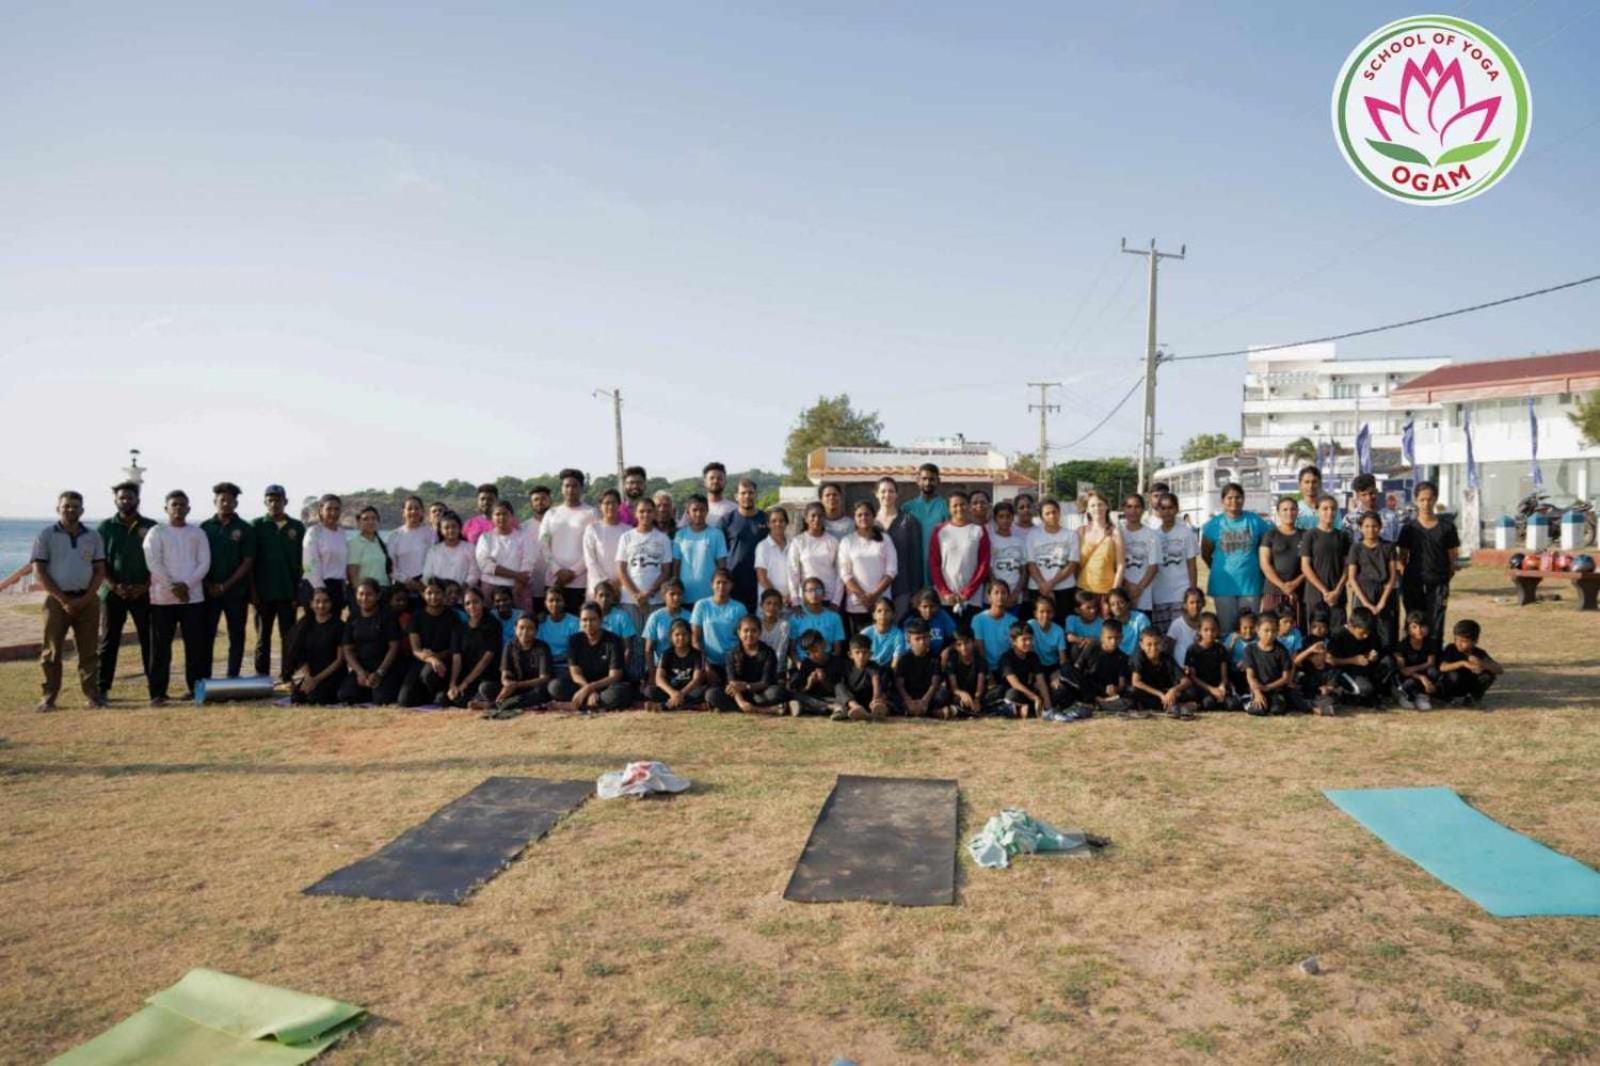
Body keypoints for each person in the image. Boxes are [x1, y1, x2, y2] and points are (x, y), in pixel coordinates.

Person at [32, 491, 107, 711]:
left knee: (89, 650)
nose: (71, 510)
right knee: (51, 651)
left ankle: (92, 696)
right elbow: (39, 571)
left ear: (82, 510)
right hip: (56, 600)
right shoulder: (46, 535)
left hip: (87, 600)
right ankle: (48, 697)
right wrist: (63, 599)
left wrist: (86, 598)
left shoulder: (93, 537)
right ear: (58, 509)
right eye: (66, 506)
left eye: (75, 506)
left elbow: (100, 570)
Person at [144, 490, 210, 705]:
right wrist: (173, 586)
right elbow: (153, 563)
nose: (178, 509)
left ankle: (196, 691)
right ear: (166, 508)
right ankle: (157, 693)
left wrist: (187, 585)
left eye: (183, 505)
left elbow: (204, 563)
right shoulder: (156, 532)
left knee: (195, 649)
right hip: (163, 599)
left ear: (189, 508)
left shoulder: (197, 533)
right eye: (174, 505)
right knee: (161, 649)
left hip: (193, 599)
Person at [96, 481, 157, 700]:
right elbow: (99, 561)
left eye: (130, 497)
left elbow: (158, 561)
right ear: (116, 500)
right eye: (122, 498)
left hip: (144, 593)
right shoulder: (105, 527)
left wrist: (146, 585)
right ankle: (101, 688)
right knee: (108, 641)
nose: (126, 501)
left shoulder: (151, 526)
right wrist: (114, 586)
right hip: (113, 593)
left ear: (137, 500)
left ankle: (155, 689)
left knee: (149, 640)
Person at [1200, 483, 1271, 637]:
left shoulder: (1255, 521)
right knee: (1227, 630)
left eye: (1238, 497)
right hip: (1223, 584)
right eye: (1229, 498)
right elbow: (1205, 552)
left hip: (1250, 584)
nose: (1234, 501)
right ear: (1223, 501)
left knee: (1250, 630)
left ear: (1243, 499)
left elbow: (1267, 544)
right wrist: (1217, 568)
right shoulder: (1214, 524)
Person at [1397, 480, 1460, 652]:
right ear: (1416, 500)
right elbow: (1402, 558)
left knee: (1435, 621)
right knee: (1414, 620)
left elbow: (1452, 557)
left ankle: (1434, 658)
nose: (1426, 503)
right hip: (1413, 582)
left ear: (1435, 500)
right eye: (1422, 499)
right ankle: (1409, 657)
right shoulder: (1408, 528)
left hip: (1438, 582)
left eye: (1430, 499)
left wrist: (1446, 575)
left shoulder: (1447, 527)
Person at [251, 485, 304, 681]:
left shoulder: (297, 527)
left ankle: (286, 675)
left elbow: (303, 563)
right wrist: (253, 592)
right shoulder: (256, 525)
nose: (274, 503)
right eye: (270, 500)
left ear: (285, 501)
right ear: (265, 502)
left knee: (289, 638)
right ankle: (261, 677)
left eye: (278, 499)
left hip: (288, 593)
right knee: (262, 639)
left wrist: (299, 593)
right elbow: (249, 562)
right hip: (263, 594)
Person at [552, 602, 636, 710]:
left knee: (621, 692)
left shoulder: (613, 641)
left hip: (607, 686)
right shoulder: (574, 640)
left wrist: (589, 688)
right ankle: (590, 704)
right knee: (555, 686)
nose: (588, 624)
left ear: (601, 620)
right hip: (582, 684)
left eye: (592, 619)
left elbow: (615, 676)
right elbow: (575, 673)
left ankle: (578, 705)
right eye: (584, 620)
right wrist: (587, 689)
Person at [541, 469, 598, 616]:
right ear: (561, 488)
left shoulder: (591, 513)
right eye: (567, 486)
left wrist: (574, 571)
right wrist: (556, 570)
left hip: (579, 581)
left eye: (575, 486)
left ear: (581, 488)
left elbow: (593, 548)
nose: (570, 489)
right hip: (554, 580)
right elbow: (543, 544)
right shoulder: (551, 514)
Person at [337, 578, 404, 705]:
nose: (364, 598)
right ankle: (369, 687)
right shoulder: (353, 617)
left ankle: (376, 689)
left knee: (382, 700)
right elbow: (347, 649)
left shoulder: (388, 615)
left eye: (369, 594)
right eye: (361, 594)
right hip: (362, 667)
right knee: (345, 695)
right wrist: (360, 672)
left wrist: (380, 672)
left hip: (385, 667)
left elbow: (394, 647)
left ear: (378, 595)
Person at [839, 500, 899, 634]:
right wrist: (863, 596)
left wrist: (874, 595)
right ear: (854, 519)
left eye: (867, 514)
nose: (863, 518)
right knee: (860, 647)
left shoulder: (885, 539)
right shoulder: (847, 541)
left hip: (882, 605)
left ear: (873, 517)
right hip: (857, 604)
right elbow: (845, 573)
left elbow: (892, 570)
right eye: (859, 515)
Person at [928, 491, 990, 620]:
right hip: (946, 599)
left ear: (968, 506)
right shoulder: (939, 531)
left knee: (970, 637)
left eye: (962, 504)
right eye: (955, 505)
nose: (959, 508)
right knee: (950, 637)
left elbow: (983, 564)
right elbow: (934, 564)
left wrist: (967, 593)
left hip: (972, 598)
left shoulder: (978, 530)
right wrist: (945, 592)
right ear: (949, 508)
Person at [401, 578, 462, 707]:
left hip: (445, 663)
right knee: (405, 701)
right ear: (423, 595)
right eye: (429, 593)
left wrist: (437, 657)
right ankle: (429, 694)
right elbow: (416, 650)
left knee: (429, 674)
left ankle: (440, 691)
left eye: (438, 593)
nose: (433, 597)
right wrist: (432, 659)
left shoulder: (452, 617)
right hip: (423, 660)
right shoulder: (416, 617)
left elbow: (454, 649)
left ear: (444, 594)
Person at [709, 615, 787, 714]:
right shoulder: (732, 654)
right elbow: (732, 682)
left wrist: (746, 686)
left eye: (754, 631)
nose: (749, 634)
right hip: (738, 695)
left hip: (759, 693)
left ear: (760, 632)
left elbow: (766, 682)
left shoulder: (768, 652)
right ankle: (764, 710)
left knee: (776, 692)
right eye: (745, 631)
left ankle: (737, 709)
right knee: (712, 694)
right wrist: (741, 702)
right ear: (739, 632)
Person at [481, 614, 554, 716]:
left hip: (532, 689)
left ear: (536, 631)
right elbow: (505, 674)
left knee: (541, 693)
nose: (525, 632)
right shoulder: (509, 645)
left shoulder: (542, 647)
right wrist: (507, 685)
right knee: (485, 687)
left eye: (530, 629)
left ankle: (495, 705)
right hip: (513, 690)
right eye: (521, 628)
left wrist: (517, 685)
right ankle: (508, 704)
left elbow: (544, 678)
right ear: (515, 629)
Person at [1346, 511, 1400, 648]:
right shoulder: (1356, 548)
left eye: (1374, 526)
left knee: (1387, 633)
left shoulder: (1388, 547)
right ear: (1361, 528)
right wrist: (1366, 603)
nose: (1371, 530)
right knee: (1362, 631)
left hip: (1385, 593)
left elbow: (1393, 575)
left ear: (1380, 527)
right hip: (1363, 593)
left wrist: (1382, 602)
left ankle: (1386, 665)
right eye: (1367, 526)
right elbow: (1352, 578)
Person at [874, 477, 924, 619]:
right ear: (876, 494)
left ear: (897, 494)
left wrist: (915, 592)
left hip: (902, 587)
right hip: (875, 587)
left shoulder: (908, 521)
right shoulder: (869, 522)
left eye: (891, 491)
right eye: (883, 491)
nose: (887, 495)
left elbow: (915, 559)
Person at [615, 497, 672, 621]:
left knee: (652, 638)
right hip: (630, 599)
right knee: (633, 637)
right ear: (635, 514)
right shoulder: (626, 537)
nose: (645, 514)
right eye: (641, 511)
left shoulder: (663, 539)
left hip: (655, 599)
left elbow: (666, 571)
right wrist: (636, 594)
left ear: (655, 514)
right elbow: (621, 570)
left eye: (649, 511)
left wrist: (649, 593)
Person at [286, 587, 345, 705]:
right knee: (297, 697)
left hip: (331, 674)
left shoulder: (339, 626)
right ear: (311, 604)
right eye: (317, 601)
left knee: (315, 698)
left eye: (325, 601)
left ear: (331, 603)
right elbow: (302, 657)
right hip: (312, 674)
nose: (321, 605)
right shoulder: (306, 626)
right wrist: (308, 678)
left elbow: (339, 660)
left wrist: (316, 680)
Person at [1299, 495, 1351, 631]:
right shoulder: (1310, 536)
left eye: (1333, 509)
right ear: (1317, 511)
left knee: (1337, 634)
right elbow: (1305, 566)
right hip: (1315, 594)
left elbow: (1347, 566)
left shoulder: (1342, 536)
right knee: (1316, 634)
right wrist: (1324, 591)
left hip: (1337, 594)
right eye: (1325, 508)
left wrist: (1338, 590)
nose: (1329, 512)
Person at [719, 479, 769, 612]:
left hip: (760, 580)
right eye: (743, 493)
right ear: (736, 496)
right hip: (734, 580)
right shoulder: (726, 520)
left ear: (756, 495)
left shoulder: (766, 519)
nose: (747, 496)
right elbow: (720, 554)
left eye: (751, 493)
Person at [477, 500, 537, 610]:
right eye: (497, 514)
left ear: (512, 516)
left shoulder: (524, 536)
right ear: (492, 517)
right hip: (491, 586)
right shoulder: (485, 538)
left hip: (519, 586)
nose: (501, 517)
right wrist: (516, 575)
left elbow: (529, 561)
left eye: (505, 514)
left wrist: (519, 581)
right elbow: (485, 564)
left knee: (522, 621)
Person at [1027, 497, 1080, 621]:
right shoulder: (1033, 535)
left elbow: (1072, 564)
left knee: (1062, 622)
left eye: (1054, 512)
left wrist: (1051, 584)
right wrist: (1042, 585)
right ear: (1041, 517)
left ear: (1059, 512)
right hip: (1038, 588)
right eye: (1047, 513)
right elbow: (1031, 563)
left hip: (1064, 588)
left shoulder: (1071, 535)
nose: (1052, 516)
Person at [690, 569, 748, 680]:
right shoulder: (701, 605)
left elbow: (745, 639)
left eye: (725, 583)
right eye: (718, 582)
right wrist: (706, 666)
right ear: (712, 585)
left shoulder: (739, 608)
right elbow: (695, 640)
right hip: (708, 663)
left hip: (734, 662)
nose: (721, 586)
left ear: (731, 585)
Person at [1327, 607, 1390, 708]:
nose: (1366, 636)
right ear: (1352, 626)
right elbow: (1329, 660)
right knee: (1365, 689)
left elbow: (1373, 652)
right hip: (1346, 671)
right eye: (1362, 633)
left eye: (1368, 632)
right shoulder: (1338, 635)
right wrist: (1352, 660)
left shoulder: (1369, 633)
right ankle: (1342, 693)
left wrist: (1373, 656)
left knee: (1388, 662)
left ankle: (1374, 693)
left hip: (1365, 669)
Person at [1243, 612, 1304, 715]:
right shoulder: (1250, 649)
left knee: (1277, 709)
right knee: (1259, 710)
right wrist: (1257, 692)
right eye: (1266, 631)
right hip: (1257, 688)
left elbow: (1286, 678)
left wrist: (1268, 687)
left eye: (1274, 631)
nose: (1270, 634)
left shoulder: (1281, 650)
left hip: (1275, 689)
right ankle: (1248, 700)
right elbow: (1250, 676)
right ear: (1257, 630)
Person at [673, 495, 730, 606]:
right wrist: (676, 590)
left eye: (702, 510)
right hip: (685, 595)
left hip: (710, 596)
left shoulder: (717, 534)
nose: (698, 514)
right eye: (694, 510)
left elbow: (722, 566)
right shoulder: (680, 535)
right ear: (688, 512)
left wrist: (721, 590)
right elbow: (676, 566)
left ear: (707, 511)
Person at [302, 494, 349, 621]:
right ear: (321, 511)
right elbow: (309, 564)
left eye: (336, 509)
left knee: (333, 630)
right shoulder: (314, 532)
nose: (333, 513)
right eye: (329, 509)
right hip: (316, 586)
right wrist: (319, 589)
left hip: (337, 588)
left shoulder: (342, 533)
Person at [1258, 496, 1305, 622]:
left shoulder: (1305, 535)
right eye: (1285, 510)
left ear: (1297, 512)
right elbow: (1265, 564)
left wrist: (1295, 584)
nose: (1289, 513)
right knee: (1270, 626)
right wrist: (1282, 585)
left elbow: (1309, 565)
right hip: (1273, 590)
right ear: (1278, 513)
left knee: (1295, 628)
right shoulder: (1270, 535)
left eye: (1292, 509)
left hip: (1297, 591)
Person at [901, 463, 950, 585]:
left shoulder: (946, 506)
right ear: (918, 481)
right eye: (924, 479)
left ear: (938, 481)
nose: (928, 483)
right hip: (913, 564)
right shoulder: (907, 508)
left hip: (939, 564)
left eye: (932, 479)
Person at [787, 502, 842, 607]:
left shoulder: (833, 541)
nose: (816, 519)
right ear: (806, 518)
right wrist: (795, 600)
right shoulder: (798, 541)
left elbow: (840, 572)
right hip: (806, 599)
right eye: (813, 516)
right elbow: (793, 572)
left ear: (824, 518)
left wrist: (836, 601)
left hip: (829, 598)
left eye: (820, 516)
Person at [1075, 490, 1125, 609]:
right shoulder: (1080, 532)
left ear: (1107, 506)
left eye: (1100, 504)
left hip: (1107, 592)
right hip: (1083, 590)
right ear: (1087, 509)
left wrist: (1114, 592)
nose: (1097, 508)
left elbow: (1121, 565)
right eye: (1092, 505)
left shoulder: (1115, 532)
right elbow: (1074, 564)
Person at [644, 619, 707, 711]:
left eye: (684, 634)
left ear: (690, 636)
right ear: (671, 637)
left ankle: (664, 706)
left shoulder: (697, 654)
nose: (681, 638)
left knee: (705, 691)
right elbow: (659, 678)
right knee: (649, 691)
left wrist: (681, 694)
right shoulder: (666, 654)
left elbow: (697, 680)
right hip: (671, 690)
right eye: (677, 635)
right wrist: (673, 693)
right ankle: (687, 706)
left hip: (689, 690)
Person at [1131, 626, 1193, 719]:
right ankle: (1178, 706)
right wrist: (1160, 694)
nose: (1153, 648)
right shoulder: (1139, 657)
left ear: (1162, 644)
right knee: (1133, 691)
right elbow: (1136, 682)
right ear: (1141, 645)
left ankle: (1173, 705)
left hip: (1167, 693)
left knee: (1191, 691)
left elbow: (1186, 681)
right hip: (1151, 693)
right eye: (1149, 644)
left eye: (1157, 644)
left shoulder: (1167, 658)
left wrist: (1173, 690)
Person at [1437, 618, 1502, 706]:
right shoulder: (1451, 648)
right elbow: (1442, 667)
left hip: (1469, 685)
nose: (1459, 643)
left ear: (1475, 641)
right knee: (1453, 675)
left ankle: (1472, 697)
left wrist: (1482, 663)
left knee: (1488, 675)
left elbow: (1499, 670)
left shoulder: (1479, 653)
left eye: (1464, 641)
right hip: (1453, 685)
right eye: (1457, 639)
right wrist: (1463, 663)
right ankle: (1448, 697)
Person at [1118, 493, 1161, 621]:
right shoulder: (1117, 533)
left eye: (1137, 507)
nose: (1133, 510)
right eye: (1129, 506)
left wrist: (1138, 589)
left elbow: (1153, 567)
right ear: (1123, 509)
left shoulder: (1152, 535)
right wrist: (1127, 585)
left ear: (1143, 509)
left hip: (1143, 595)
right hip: (1121, 593)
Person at [1070, 619, 1129, 715]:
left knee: (1128, 700)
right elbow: (1077, 668)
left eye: (1117, 638)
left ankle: (1096, 704)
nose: (1113, 642)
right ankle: (1096, 701)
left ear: (1121, 638)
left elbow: (1121, 684)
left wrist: (1115, 689)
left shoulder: (1122, 657)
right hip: (1087, 687)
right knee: (1067, 670)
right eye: (1109, 638)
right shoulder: (1092, 646)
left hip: (1105, 692)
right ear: (1102, 637)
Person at [581, 489, 630, 602]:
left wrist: (619, 582)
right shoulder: (593, 529)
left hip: (623, 587)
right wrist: (607, 582)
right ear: (600, 506)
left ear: (619, 505)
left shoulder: (628, 531)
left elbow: (631, 560)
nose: (610, 506)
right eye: (607, 503)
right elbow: (590, 561)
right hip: (598, 587)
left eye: (614, 503)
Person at [894, 619, 948, 718]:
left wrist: (925, 701)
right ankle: (914, 709)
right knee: (893, 696)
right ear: (908, 640)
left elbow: (934, 684)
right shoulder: (904, 659)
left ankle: (924, 709)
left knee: (943, 694)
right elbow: (900, 684)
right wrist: (908, 701)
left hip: (927, 695)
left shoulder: (935, 659)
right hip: (909, 695)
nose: (922, 642)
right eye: (917, 639)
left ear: (930, 637)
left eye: (925, 638)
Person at [387, 496, 436, 603]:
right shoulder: (394, 535)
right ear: (403, 512)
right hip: (401, 586)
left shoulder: (431, 534)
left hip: (425, 586)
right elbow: (390, 566)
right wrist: (407, 581)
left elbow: (435, 561)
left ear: (422, 511)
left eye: (417, 508)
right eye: (409, 508)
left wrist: (422, 582)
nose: (413, 511)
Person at [1182, 612, 1234, 711]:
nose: (1210, 633)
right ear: (1199, 631)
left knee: (1232, 705)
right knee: (1208, 703)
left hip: (1218, 686)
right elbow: (1193, 677)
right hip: (1202, 687)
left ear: (1218, 630)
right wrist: (1211, 690)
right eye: (1206, 630)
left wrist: (1222, 686)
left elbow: (1224, 674)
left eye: (1213, 630)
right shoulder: (1192, 650)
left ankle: (1219, 700)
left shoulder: (1220, 649)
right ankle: (1197, 704)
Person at [997, 622, 1049, 719]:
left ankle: (1032, 709)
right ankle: (1020, 708)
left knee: (1050, 692)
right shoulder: (1006, 658)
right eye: (1024, 639)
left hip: (1028, 692)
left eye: (1030, 639)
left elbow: (1041, 681)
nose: (1028, 643)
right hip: (1013, 693)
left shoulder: (1033, 657)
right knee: (1012, 694)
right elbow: (1015, 684)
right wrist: (1035, 698)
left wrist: (1048, 706)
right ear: (1013, 641)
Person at [789, 630, 846, 717]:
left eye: (815, 650)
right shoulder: (807, 663)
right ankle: (832, 708)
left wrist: (824, 680)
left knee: (843, 699)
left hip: (831, 698)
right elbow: (803, 690)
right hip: (814, 699)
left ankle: (824, 708)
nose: (812, 655)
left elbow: (837, 690)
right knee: (795, 695)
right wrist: (809, 684)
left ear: (824, 644)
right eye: (808, 653)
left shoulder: (836, 662)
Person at [344, 505, 391, 608]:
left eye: (374, 518)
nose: (370, 522)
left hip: (384, 592)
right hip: (366, 594)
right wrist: (361, 597)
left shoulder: (381, 543)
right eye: (365, 519)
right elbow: (353, 574)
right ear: (359, 522)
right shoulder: (354, 544)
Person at [791, 575, 847, 663]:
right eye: (810, 590)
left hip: (827, 663)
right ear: (804, 595)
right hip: (803, 662)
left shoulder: (834, 617)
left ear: (824, 593)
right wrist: (800, 665)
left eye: (818, 590)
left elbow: (837, 649)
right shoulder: (796, 617)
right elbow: (792, 649)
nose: (814, 594)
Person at [834, 634, 889, 721]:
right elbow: (841, 688)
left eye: (865, 652)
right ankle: (856, 708)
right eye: (857, 652)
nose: (861, 656)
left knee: (884, 679)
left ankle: (876, 708)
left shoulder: (873, 666)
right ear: (850, 654)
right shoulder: (846, 667)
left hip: (869, 700)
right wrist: (853, 704)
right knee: (838, 686)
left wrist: (875, 699)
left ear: (870, 654)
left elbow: (876, 680)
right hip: (852, 701)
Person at [1391, 611, 1439, 710]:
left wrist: (1413, 669)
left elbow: (1431, 663)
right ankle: (1403, 695)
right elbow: (1403, 670)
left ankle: (1422, 696)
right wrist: (1421, 677)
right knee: (1410, 683)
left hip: (1418, 672)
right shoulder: (1401, 646)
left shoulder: (1431, 643)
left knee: (1433, 672)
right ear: (1407, 629)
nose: (1419, 630)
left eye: (1422, 626)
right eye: (1414, 627)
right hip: (1407, 677)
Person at [986, 501, 1031, 606]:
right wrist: (998, 593)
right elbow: (989, 570)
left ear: (1013, 518)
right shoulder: (990, 539)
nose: (1005, 520)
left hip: (1014, 596)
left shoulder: (1019, 541)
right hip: (995, 596)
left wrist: (1015, 593)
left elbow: (1024, 571)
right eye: (1001, 517)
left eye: (1008, 516)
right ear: (995, 519)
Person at [593, 580, 641, 679]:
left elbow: (628, 648)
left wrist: (620, 669)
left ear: (613, 597)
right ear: (595, 597)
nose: (604, 599)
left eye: (608, 595)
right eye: (600, 595)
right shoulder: (590, 615)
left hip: (616, 665)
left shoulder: (621, 616)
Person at [641, 579, 692, 671]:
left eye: (679, 594)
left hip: (684, 667)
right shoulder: (655, 617)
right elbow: (648, 649)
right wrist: (652, 674)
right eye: (672, 594)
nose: (676, 597)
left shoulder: (689, 616)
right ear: (664, 596)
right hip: (660, 666)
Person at [423, 512, 480, 590]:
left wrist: (463, 587)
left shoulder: (470, 548)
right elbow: (427, 574)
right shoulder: (434, 550)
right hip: (440, 594)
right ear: (440, 530)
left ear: (460, 528)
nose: (451, 530)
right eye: (446, 527)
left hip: (462, 593)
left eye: (454, 526)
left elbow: (474, 573)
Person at [1340, 474, 1401, 544]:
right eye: (1364, 495)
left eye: (1371, 493)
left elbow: (1396, 543)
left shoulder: (1391, 517)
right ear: (1358, 496)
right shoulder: (1349, 519)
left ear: (1376, 491)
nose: (1369, 498)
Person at [970, 580, 1015, 674]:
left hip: (1006, 669)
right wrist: (988, 673)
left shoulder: (1013, 621)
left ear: (1008, 596)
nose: (1000, 596)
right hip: (984, 669)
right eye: (996, 593)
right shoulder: (978, 619)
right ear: (989, 596)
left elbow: (1013, 649)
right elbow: (979, 648)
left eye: (1003, 593)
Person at [754, 505, 794, 609]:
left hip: (791, 602)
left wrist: (792, 595)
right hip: (770, 603)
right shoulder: (762, 546)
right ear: (768, 524)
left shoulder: (794, 545)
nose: (778, 524)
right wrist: (779, 597)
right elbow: (762, 577)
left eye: (781, 521)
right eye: (774, 521)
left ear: (786, 523)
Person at [942, 627, 988, 717]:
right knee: (949, 697)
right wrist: (962, 694)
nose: (964, 647)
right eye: (959, 644)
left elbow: (980, 685)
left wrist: (977, 699)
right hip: (959, 694)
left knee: (996, 693)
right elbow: (954, 688)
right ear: (955, 646)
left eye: (967, 643)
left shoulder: (980, 660)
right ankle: (966, 710)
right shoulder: (952, 661)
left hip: (975, 693)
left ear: (973, 642)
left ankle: (960, 711)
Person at [1026, 594, 1068, 683]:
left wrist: (1059, 672)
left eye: (1049, 611)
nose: (1045, 615)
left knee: (1058, 688)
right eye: (1041, 611)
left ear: (1053, 613)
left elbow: (1062, 658)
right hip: (1034, 666)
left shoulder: (1059, 630)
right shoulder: (1030, 625)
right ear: (1035, 614)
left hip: (1053, 666)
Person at [537, 586, 581, 667]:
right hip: (544, 664)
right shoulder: (541, 622)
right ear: (545, 603)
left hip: (565, 665)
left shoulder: (575, 622)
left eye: (558, 600)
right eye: (551, 600)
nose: (555, 604)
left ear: (564, 602)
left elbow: (577, 649)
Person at [905, 588, 957, 657]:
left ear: (938, 606)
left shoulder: (941, 615)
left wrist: (948, 649)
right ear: (918, 607)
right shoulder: (911, 620)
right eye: (924, 607)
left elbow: (956, 636)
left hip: (938, 657)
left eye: (932, 606)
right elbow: (907, 646)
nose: (928, 611)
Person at [1165, 587, 1206, 669]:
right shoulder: (1177, 625)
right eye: (1192, 602)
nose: (1195, 606)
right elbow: (1168, 650)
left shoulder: (1207, 624)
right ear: (1185, 605)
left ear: (1203, 603)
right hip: (1181, 669)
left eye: (1198, 602)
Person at [864, 597, 907, 668]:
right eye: (879, 611)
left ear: (893, 615)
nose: (883, 614)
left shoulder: (898, 634)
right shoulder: (865, 633)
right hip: (868, 668)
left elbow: (896, 660)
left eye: (887, 611)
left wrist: (890, 675)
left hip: (887, 669)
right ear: (873, 615)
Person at [1293, 466, 1334, 531]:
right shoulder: (1293, 510)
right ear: (1300, 485)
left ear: (1320, 484)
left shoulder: (1331, 509)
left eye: (1314, 482)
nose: (1310, 486)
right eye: (1307, 482)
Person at [1064, 589, 1104, 655]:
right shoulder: (1072, 619)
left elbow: (1103, 641)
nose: (1093, 611)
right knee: (1075, 648)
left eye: (1094, 607)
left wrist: (1092, 642)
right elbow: (1069, 637)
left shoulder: (1101, 622)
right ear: (1077, 610)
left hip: (1096, 655)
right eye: (1088, 608)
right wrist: (1084, 640)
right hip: (1078, 652)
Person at [697, 462, 738, 527]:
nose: (715, 481)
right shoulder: (695, 509)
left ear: (725, 482)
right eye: (712, 478)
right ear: (704, 482)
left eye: (719, 478)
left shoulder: (734, 509)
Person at [757, 588, 790, 664]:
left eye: (776, 604)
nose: (772, 607)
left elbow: (781, 650)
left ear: (781, 606)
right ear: (761, 605)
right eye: (768, 603)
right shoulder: (756, 623)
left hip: (777, 669)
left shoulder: (784, 626)